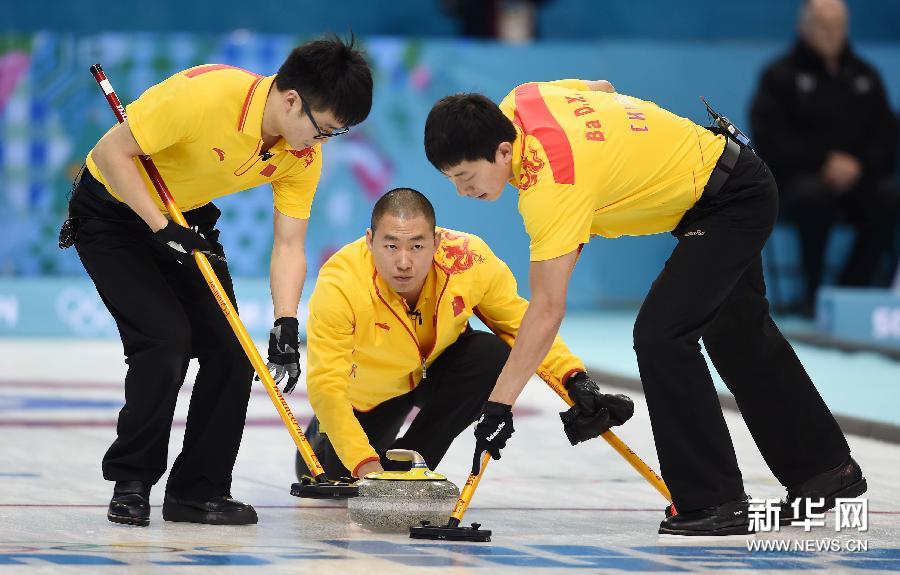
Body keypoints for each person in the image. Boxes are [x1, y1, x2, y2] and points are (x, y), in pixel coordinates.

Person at [424, 77, 866, 536]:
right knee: (737, 331)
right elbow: (602, 88)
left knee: (661, 335)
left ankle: (714, 499)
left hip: (731, 201)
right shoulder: (523, 98)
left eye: (465, 177)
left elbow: (547, 309)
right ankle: (826, 472)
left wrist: (499, 406)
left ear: (501, 151)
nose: (462, 192)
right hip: (728, 179)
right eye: (451, 180)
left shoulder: (552, 184)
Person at [60, 36, 372, 526]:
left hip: (186, 221)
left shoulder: (300, 156)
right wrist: (160, 228)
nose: (321, 143)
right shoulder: (203, 98)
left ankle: (197, 491)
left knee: (232, 353)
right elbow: (112, 153)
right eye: (324, 130)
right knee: (165, 341)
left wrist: (286, 323)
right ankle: (133, 481)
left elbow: (289, 244)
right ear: (292, 100)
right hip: (115, 213)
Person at [295, 187, 633, 480]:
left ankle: (414, 463)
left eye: (416, 246)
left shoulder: (468, 260)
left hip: (441, 369)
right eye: (391, 246)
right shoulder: (340, 282)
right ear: (370, 241)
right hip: (371, 395)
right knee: (335, 475)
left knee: (491, 355)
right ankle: (323, 437)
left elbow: (522, 324)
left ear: (436, 241)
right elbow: (327, 384)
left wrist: (575, 378)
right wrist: (365, 465)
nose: (403, 262)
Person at [750, 0, 900, 315]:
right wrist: (823, 162)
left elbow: (887, 135)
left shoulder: (866, 76)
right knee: (813, 198)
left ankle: (851, 292)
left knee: (889, 198)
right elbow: (770, 138)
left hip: (858, 181)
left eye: (837, 25)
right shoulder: (780, 76)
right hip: (800, 182)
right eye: (822, 24)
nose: (831, 33)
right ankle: (813, 294)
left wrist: (858, 165)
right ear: (803, 26)